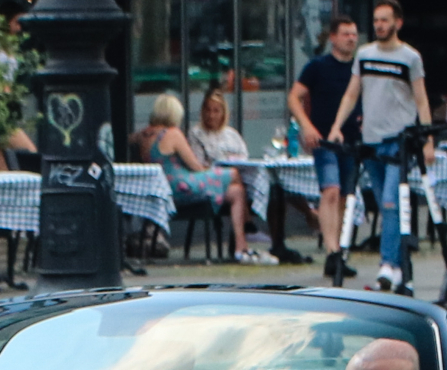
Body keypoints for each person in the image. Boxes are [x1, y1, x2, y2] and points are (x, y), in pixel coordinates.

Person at [327, 0, 434, 294]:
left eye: (385, 20)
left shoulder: (410, 57)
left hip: (398, 141)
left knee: (390, 202)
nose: (379, 26)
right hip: (371, 140)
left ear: (397, 23)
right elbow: (352, 94)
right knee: (385, 203)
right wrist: (337, 126)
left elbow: (421, 99)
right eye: (376, 20)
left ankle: (387, 265)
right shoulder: (365, 54)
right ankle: (399, 268)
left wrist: (427, 140)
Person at [141, 94, 261, 262]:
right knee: (233, 173)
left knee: (236, 191)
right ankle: (246, 226)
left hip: (162, 190)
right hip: (181, 186)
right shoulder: (173, 134)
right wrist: (211, 171)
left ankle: (241, 246)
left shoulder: (143, 135)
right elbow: (195, 166)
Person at [288, 17, 362, 260]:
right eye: (345, 34)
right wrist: (307, 127)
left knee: (343, 197)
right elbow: (294, 97)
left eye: (354, 34)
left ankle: (339, 248)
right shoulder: (317, 66)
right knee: (330, 189)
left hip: (351, 139)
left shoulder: (359, 69)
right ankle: (331, 250)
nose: (351, 38)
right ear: (333, 37)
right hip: (322, 139)